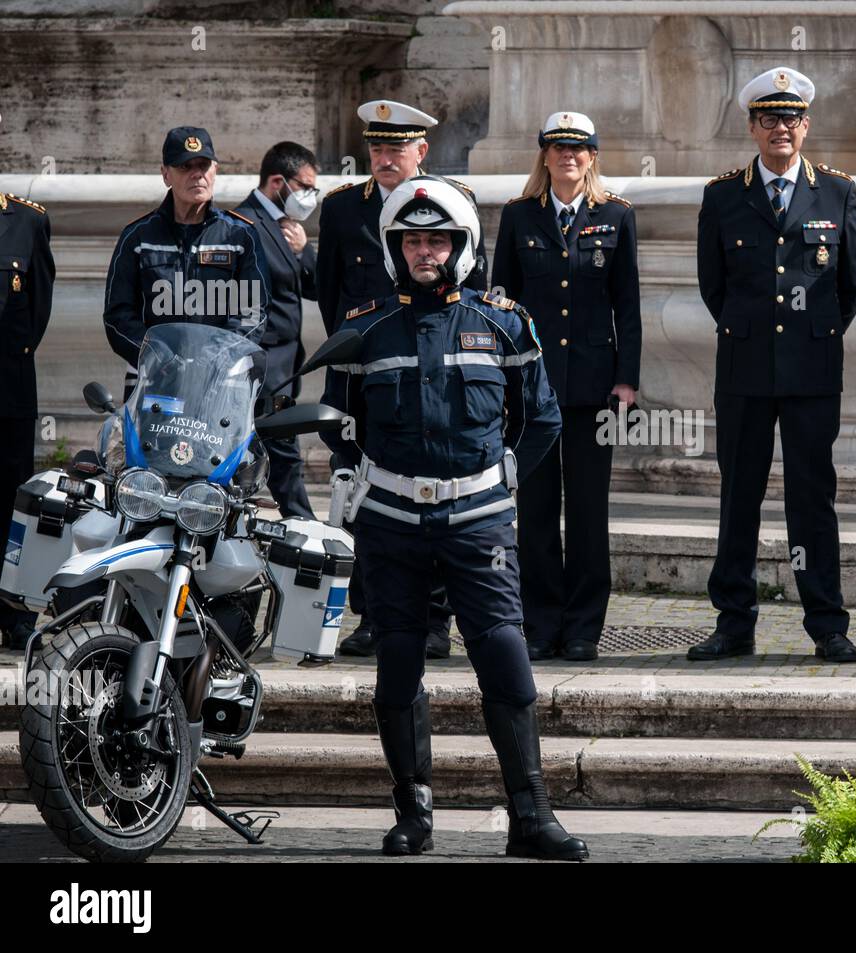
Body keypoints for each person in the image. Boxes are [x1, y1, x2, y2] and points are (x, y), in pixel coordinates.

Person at [321, 176, 584, 859]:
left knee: (504, 654)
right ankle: (415, 814)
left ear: (462, 246)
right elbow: (337, 419)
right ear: (395, 246)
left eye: (438, 239)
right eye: (413, 240)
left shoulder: (504, 321)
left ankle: (531, 817)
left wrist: (503, 480)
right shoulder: (363, 326)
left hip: (479, 521)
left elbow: (543, 416)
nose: (425, 251)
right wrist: (364, 474)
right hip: (391, 521)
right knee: (399, 662)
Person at [691, 66, 856, 663]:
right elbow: (713, 286)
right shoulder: (722, 195)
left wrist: (812, 336)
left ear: (806, 125)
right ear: (752, 127)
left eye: (791, 119)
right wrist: (756, 334)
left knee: (812, 498)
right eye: (769, 119)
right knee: (738, 495)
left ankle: (827, 624)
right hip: (743, 369)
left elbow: (852, 285)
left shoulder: (838, 192)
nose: (781, 129)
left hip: (812, 372)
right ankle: (733, 622)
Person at [317, 100, 486, 660]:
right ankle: (374, 614)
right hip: (366, 368)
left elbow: (473, 285)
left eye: (397, 147)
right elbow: (330, 294)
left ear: (422, 151)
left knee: (433, 487)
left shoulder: (453, 203)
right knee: (361, 491)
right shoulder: (343, 208)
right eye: (377, 148)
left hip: (432, 369)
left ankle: (435, 618)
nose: (385, 158)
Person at [491, 111, 641, 662]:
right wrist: (501, 379)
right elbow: (500, 304)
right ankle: (540, 623)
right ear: (544, 156)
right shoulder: (518, 217)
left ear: (592, 156)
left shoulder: (616, 217)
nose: (568, 157)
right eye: (558, 149)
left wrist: (626, 380)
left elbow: (628, 306)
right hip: (530, 390)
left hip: (592, 389)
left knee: (586, 513)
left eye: (578, 149)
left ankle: (583, 629)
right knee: (532, 513)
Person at [104, 126, 268, 393]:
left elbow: (252, 313)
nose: (197, 174)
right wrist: (160, 358)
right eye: (185, 166)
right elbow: (117, 316)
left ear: (215, 169)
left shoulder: (241, 236)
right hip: (153, 381)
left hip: (219, 384)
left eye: (203, 165)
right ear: (165, 174)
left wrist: (214, 359)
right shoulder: (137, 237)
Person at [236, 141, 321, 520]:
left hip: (284, 366)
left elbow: (315, 287)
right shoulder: (244, 224)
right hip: (263, 366)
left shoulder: (288, 228)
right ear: (277, 182)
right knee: (282, 448)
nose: (309, 196)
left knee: (277, 448)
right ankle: (302, 524)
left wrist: (304, 252)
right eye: (304, 187)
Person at [0, 192, 54, 650]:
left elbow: (36, 313)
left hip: (8, 392)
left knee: (13, 504)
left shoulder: (28, 221)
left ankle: (13, 613)